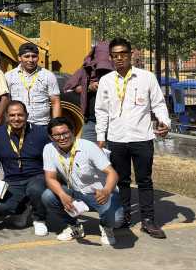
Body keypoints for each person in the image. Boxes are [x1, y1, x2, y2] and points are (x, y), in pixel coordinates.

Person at [95, 37, 170, 239]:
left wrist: (164, 122)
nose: (119, 59)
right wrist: (101, 137)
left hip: (141, 138)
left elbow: (158, 104)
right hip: (116, 139)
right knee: (122, 180)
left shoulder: (146, 77)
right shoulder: (106, 80)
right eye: (115, 55)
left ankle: (148, 220)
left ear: (131, 55)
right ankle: (125, 217)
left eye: (123, 54)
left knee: (144, 180)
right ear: (111, 58)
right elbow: (101, 111)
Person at [42, 117, 122, 246]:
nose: (62, 138)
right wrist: (62, 195)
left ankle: (106, 227)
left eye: (65, 133)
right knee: (48, 196)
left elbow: (112, 173)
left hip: (100, 194)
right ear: (51, 137)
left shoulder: (88, 147)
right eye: (56, 135)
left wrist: (107, 190)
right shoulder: (49, 149)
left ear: (73, 132)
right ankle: (75, 227)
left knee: (116, 220)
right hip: (76, 193)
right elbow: (50, 178)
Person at [0, 101, 50, 236]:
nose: (16, 118)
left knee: (35, 189)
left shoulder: (41, 132)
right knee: (1, 208)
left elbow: (54, 157)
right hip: (12, 180)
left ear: (27, 115)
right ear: (6, 117)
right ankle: (24, 209)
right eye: (12, 115)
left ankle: (39, 219)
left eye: (20, 115)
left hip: (36, 177)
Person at [63, 41, 113, 144]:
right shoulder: (86, 70)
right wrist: (89, 87)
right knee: (87, 152)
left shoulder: (118, 71)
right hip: (91, 122)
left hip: (114, 122)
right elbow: (69, 89)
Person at [5, 42, 60, 127]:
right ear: (19, 58)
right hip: (17, 124)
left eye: (34, 56)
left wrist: (55, 125)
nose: (30, 60)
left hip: (42, 124)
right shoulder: (9, 76)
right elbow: (6, 102)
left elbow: (55, 102)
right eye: (26, 56)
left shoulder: (48, 75)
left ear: (38, 57)